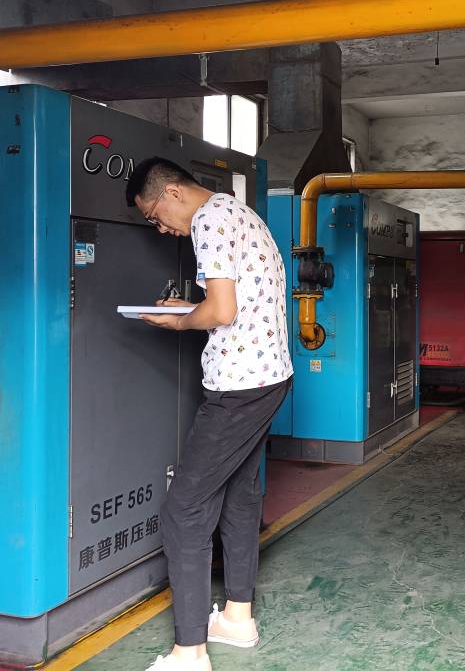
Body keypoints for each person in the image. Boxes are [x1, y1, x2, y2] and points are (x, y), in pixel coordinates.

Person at [126, 157, 293, 671]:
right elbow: (238, 300)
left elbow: (222, 311)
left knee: (184, 510)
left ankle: (189, 652)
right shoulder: (238, 213)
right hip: (269, 377)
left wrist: (178, 323)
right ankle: (237, 619)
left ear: (173, 193)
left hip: (238, 388)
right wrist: (186, 307)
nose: (161, 228)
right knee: (239, 495)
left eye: (154, 216)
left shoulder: (208, 221)